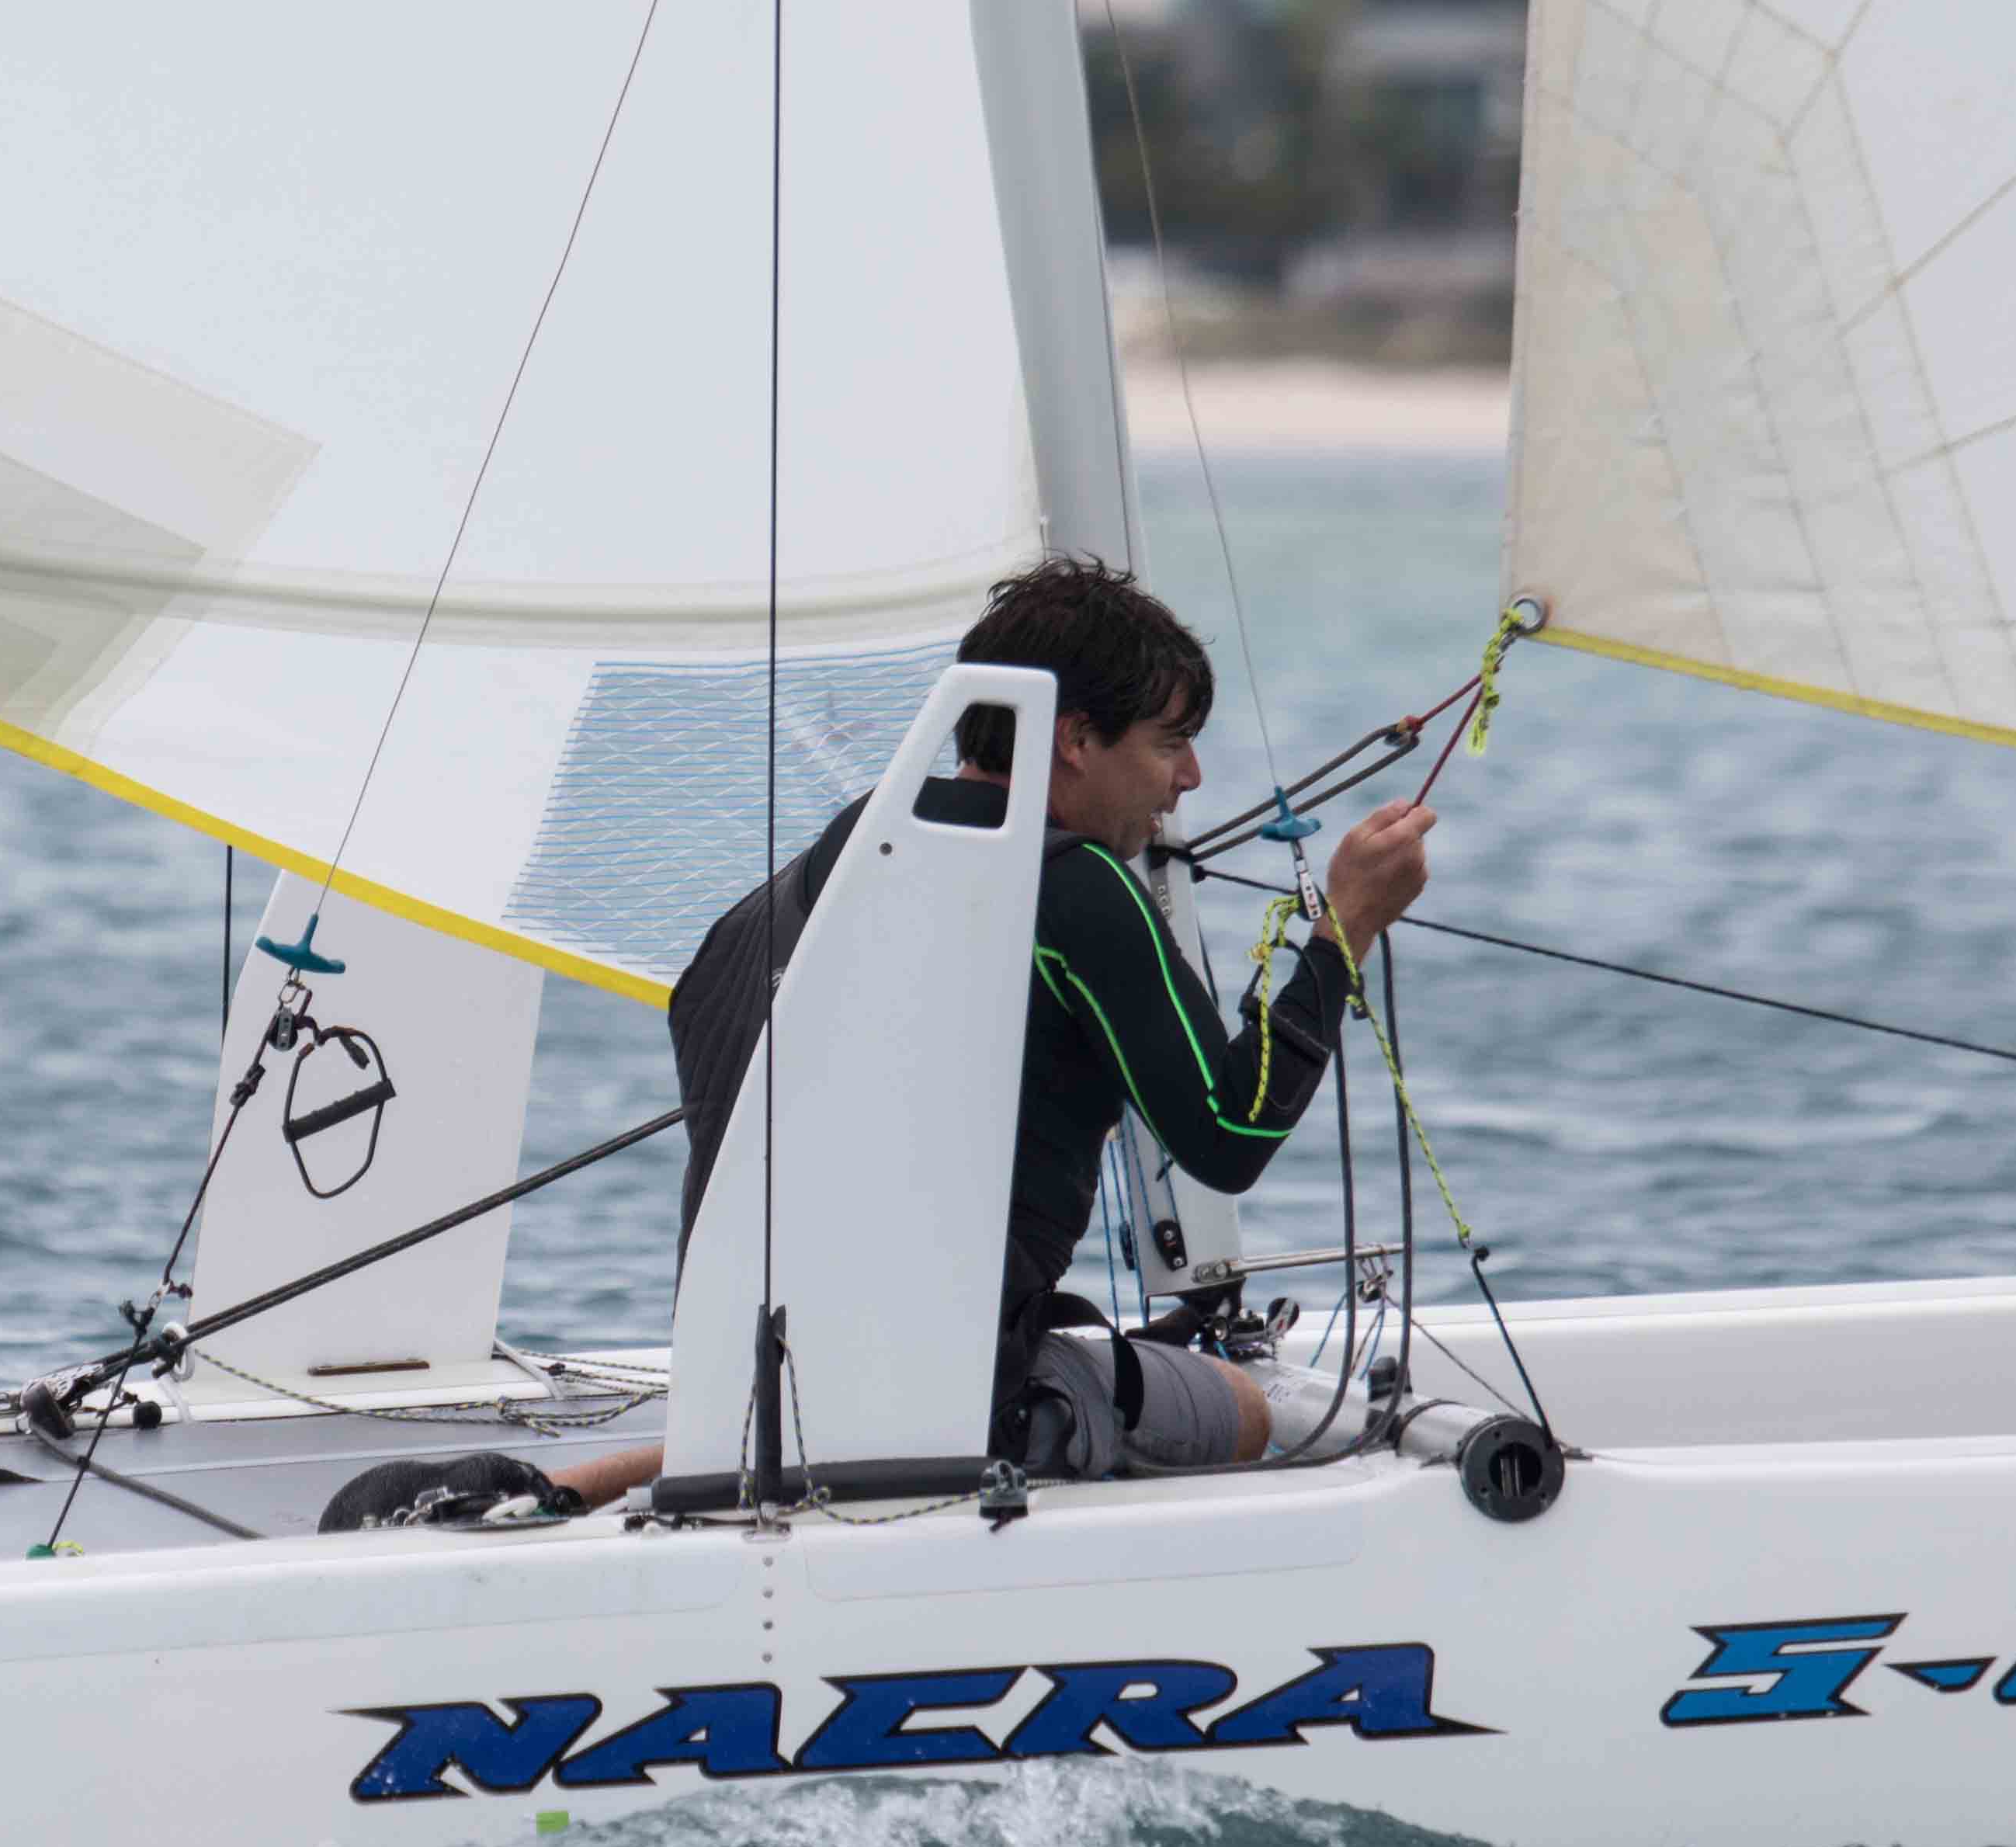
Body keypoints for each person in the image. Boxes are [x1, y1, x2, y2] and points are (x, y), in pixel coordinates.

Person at [349, 558, 1429, 1529]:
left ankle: (565, 1491)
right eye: (1171, 743)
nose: (1188, 782)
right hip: (962, 1408)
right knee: (1274, 1409)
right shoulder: (1075, 886)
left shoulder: (819, 873)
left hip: (771, 1395)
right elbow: (1231, 1132)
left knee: (902, 1392)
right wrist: (1343, 929)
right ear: (1075, 739)